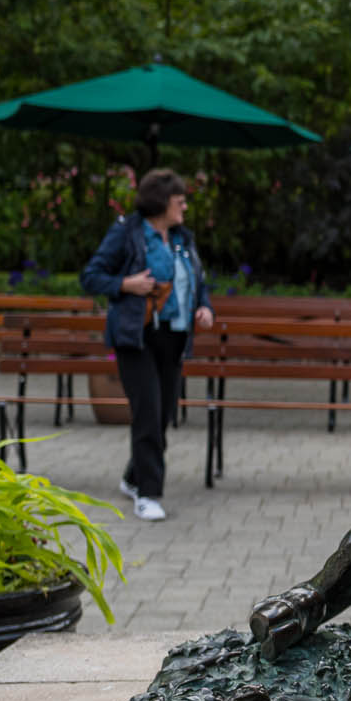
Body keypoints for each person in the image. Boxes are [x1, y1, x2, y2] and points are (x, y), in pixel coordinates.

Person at [80, 169, 214, 521]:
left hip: (174, 338)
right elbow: (91, 276)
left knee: (164, 413)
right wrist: (126, 284)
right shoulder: (127, 232)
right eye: (179, 200)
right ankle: (148, 494)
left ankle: (132, 476)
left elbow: (198, 282)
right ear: (160, 202)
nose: (184, 206)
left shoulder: (183, 237)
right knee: (148, 414)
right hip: (136, 338)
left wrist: (204, 307)